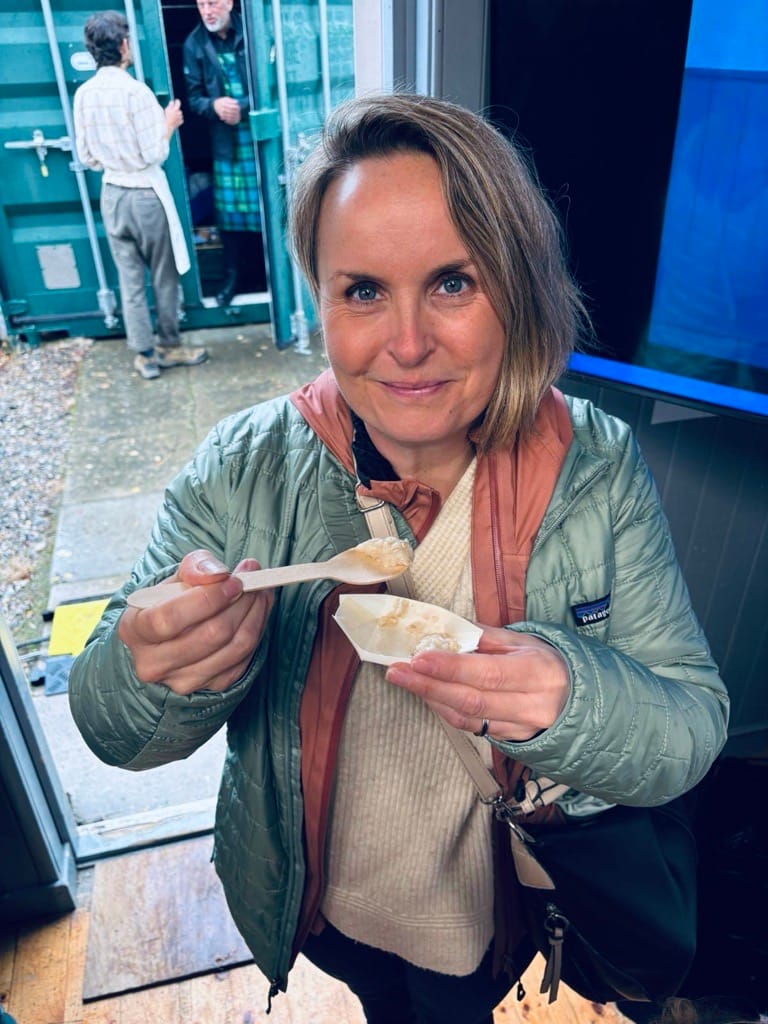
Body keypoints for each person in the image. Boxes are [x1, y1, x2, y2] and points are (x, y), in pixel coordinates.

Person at [68, 94, 729, 1024]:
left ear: (518, 286)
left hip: (499, 907)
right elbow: (111, 731)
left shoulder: (596, 468)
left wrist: (569, 701)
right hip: (325, 906)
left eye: (453, 282)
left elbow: (691, 729)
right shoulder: (244, 465)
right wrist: (157, 672)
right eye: (364, 290)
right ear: (321, 297)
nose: (407, 343)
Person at [73, 11, 208, 380]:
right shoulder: (136, 92)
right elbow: (154, 154)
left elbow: (86, 157)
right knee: (163, 275)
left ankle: (145, 355)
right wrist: (169, 125)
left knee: (129, 278)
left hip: (112, 195)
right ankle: (168, 345)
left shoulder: (83, 94)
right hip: (146, 195)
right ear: (123, 45)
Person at [182, 0, 267, 306]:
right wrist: (214, 106)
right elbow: (193, 99)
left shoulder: (256, 31)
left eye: (213, 3)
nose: (207, 11)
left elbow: (271, 81)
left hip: (260, 138)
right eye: (201, 4)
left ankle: (268, 276)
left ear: (229, 2)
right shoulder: (194, 44)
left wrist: (243, 106)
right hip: (225, 144)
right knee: (230, 217)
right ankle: (234, 278)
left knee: (267, 209)